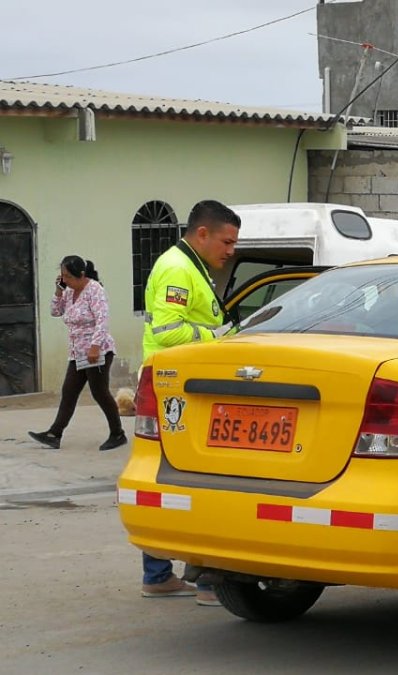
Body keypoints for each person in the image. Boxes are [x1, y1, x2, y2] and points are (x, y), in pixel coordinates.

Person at [138, 199, 241, 607]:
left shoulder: (189, 265)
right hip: (177, 389)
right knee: (192, 482)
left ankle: (162, 575)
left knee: (176, 480)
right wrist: (221, 338)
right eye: (226, 241)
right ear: (202, 233)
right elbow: (167, 331)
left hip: (182, 387)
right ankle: (203, 580)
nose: (231, 250)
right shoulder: (178, 269)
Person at [28, 256, 126, 451]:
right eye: (62, 276)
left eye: (68, 276)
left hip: (96, 351)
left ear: (81, 275)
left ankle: (118, 433)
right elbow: (55, 312)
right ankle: (54, 434)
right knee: (69, 391)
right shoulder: (68, 291)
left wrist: (95, 346)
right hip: (77, 352)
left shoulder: (95, 290)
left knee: (99, 392)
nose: (65, 280)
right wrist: (58, 291)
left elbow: (102, 320)